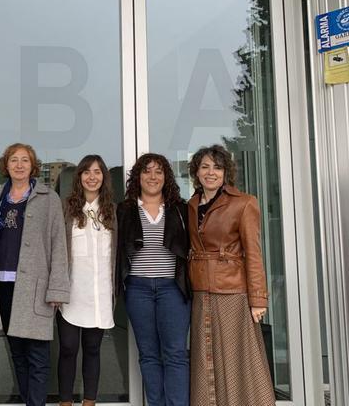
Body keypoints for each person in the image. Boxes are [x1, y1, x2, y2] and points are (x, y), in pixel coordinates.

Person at [0, 143, 69, 406]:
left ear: (33, 166)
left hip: (35, 287)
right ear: (5, 166)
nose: (19, 165)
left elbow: (58, 244)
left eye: (25, 160)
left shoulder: (48, 198)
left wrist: (57, 289)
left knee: (38, 355)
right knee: (17, 353)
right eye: (13, 160)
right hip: (3, 285)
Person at [187, 144, 274, 405]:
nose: (210, 172)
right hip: (201, 291)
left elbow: (253, 252)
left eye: (217, 167)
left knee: (238, 358)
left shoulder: (244, 203)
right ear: (196, 172)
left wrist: (258, 298)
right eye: (204, 167)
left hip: (232, 291)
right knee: (205, 357)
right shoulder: (191, 204)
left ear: (226, 172)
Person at [117, 153, 190, 406]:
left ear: (166, 177)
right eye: (147, 171)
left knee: (176, 354)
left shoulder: (180, 209)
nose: (152, 176)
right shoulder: (125, 209)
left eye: (158, 171)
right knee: (148, 354)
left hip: (173, 288)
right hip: (138, 289)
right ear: (138, 176)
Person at [57, 155, 117, 406]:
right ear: (79, 177)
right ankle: (65, 402)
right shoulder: (66, 209)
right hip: (71, 292)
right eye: (86, 172)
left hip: (100, 291)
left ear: (104, 177)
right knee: (69, 348)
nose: (92, 177)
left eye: (97, 172)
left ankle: (89, 402)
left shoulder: (112, 211)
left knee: (92, 349)